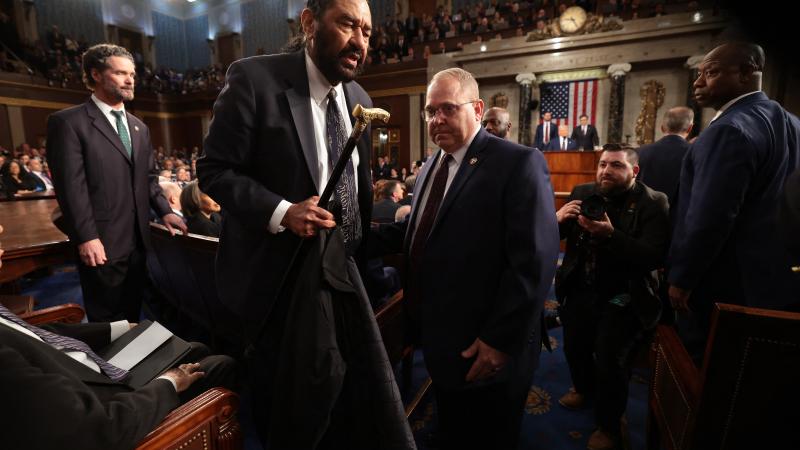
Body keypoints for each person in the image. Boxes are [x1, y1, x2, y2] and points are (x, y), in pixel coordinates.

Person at [197, 1, 413, 447]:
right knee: (288, 407)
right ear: (310, 22)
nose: (360, 41)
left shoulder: (361, 100)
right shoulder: (254, 79)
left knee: (344, 395)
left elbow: (358, 184)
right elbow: (214, 169)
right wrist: (282, 211)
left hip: (343, 270)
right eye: (348, 24)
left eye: (368, 31)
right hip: (278, 278)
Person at [371, 68, 559, 450]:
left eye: (447, 109)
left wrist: (499, 341)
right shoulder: (430, 167)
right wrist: (350, 235)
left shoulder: (517, 162)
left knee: (489, 436)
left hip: (486, 344)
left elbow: (534, 261)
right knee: (455, 428)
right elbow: (419, 233)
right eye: (429, 111)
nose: (436, 119)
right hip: (441, 338)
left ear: (477, 108)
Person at [668, 43, 800, 339]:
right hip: (779, 280)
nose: (698, 82)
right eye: (699, 73)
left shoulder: (729, 129)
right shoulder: (793, 123)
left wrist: (682, 278)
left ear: (747, 73)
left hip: (725, 285)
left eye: (711, 72)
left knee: (706, 371)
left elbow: (710, 217)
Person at [47, 44, 187, 323]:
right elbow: (71, 188)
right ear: (96, 74)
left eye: (132, 73)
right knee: (108, 322)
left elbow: (147, 178)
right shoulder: (68, 122)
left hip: (138, 241)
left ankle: (133, 367)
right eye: (120, 73)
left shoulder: (139, 126)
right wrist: (86, 237)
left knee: (133, 315)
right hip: (101, 242)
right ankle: (109, 369)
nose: (130, 79)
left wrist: (165, 210)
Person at [554, 145, 669, 450]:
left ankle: (609, 424)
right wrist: (558, 219)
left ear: (634, 171)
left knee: (610, 360)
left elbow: (653, 256)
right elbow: (556, 237)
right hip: (580, 287)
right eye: (603, 164)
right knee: (575, 346)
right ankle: (582, 387)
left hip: (624, 295)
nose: (606, 171)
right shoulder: (583, 191)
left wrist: (610, 235)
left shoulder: (653, 202)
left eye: (616, 166)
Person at [637, 106, 693, 207]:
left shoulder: (640, 152)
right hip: (679, 218)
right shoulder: (695, 153)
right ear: (690, 128)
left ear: (662, 127)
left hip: (644, 216)